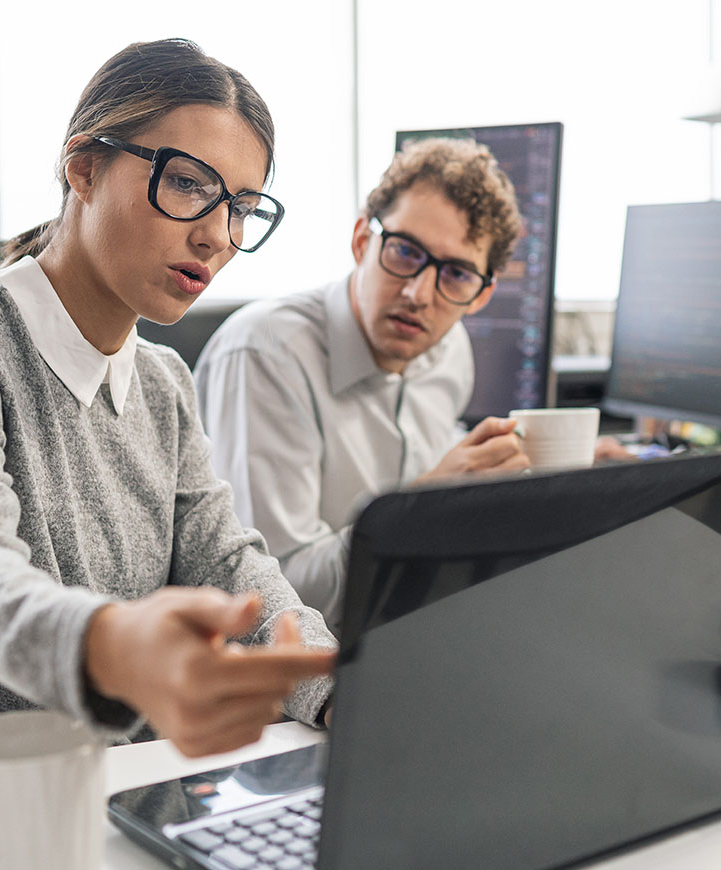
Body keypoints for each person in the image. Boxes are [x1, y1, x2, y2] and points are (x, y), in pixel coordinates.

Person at [0, 38, 336, 771]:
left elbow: (227, 561)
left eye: (241, 208)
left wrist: (334, 683)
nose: (218, 235)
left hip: (120, 779)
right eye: (188, 184)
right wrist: (111, 647)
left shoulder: (161, 382)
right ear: (84, 168)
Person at [194, 138, 533, 631]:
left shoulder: (449, 349)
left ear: (480, 296)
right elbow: (266, 599)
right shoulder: (265, 352)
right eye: (404, 251)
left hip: (408, 629)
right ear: (361, 241)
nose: (419, 294)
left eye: (456, 274)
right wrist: (417, 514)